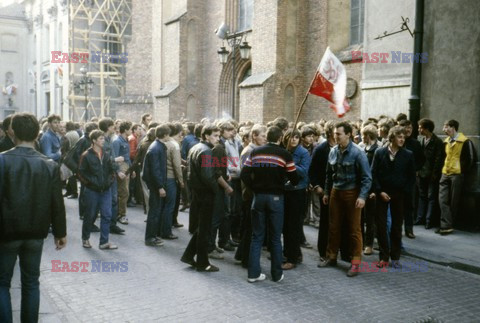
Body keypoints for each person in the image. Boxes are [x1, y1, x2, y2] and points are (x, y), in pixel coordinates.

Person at [0, 113, 67, 323]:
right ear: (37, 133)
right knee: (31, 282)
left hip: (7, 232)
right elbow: (57, 202)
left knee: (2, 283)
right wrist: (60, 232)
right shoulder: (48, 164)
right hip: (36, 233)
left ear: (13, 132)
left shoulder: (2, 160)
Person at [241, 126, 299, 283]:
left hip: (258, 197)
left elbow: (244, 173)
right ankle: (276, 274)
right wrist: (283, 180)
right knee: (275, 237)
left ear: (267, 137)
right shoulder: (285, 154)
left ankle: (253, 274)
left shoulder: (255, 152)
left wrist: (254, 188)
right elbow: (295, 179)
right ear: (280, 138)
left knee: (257, 236)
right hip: (276, 199)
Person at [318, 121, 371, 277]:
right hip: (336, 191)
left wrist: (362, 196)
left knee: (354, 229)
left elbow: (367, 178)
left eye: (339, 134)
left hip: (352, 193)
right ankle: (331, 256)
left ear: (348, 134)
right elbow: (329, 174)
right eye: (335, 133)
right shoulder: (333, 151)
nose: (336, 136)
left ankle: (355, 263)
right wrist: (327, 192)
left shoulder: (358, 153)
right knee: (333, 226)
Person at [181, 124, 227, 272]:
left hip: (197, 192)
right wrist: (216, 190)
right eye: (215, 136)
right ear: (206, 136)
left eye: (218, 136)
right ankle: (202, 263)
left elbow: (190, 171)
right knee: (204, 229)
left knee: (202, 227)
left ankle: (189, 255)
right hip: (205, 193)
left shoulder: (195, 148)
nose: (217, 139)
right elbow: (208, 176)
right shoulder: (207, 151)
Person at [371, 126, 415, 268]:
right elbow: (373, 174)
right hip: (382, 192)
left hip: (399, 194)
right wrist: (379, 191)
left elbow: (411, 178)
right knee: (381, 226)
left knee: (396, 226)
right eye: (399, 137)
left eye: (403, 137)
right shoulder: (379, 153)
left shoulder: (408, 155)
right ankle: (383, 256)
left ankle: (395, 257)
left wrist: (404, 193)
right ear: (391, 138)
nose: (402, 139)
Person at [78, 130, 118, 249]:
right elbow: (81, 173)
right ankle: (85, 239)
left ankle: (104, 242)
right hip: (92, 190)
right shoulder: (86, 155)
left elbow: (111, 170)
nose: (103, 141)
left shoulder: (105, 154)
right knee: (89, 215)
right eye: (100, 139)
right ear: (94, 140)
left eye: (103, 138)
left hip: (105, 190)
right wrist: (90, 184)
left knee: (107, 215)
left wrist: (109, 181)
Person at [437, 120, 477, 235]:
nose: (444, 130)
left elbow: (470, 159)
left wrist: (461, 170)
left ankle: (447, 225)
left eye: (446, 127)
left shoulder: (465, 141)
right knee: (442, 199)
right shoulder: (446, 142)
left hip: (457, 174)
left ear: (453, 128)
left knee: (454, 201)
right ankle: (446, 225)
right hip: (445, 173)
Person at [282, 129, 311, 270]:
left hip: (297, 191)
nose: (293, 140)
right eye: (290, 137)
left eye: (296, 137)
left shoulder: (303, 153)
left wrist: (289, 164)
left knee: (293, 225)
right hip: (285, 191)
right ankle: (292, 253)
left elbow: (304, 171)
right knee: (286, 225)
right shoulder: (284, 151)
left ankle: (292, 258)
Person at [142, 125, 171, 247]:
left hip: (156, 184)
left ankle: (153, 236)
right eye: (168, 134)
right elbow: (155, 170)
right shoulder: (156, 148)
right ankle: (150, 238)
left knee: (156, 210)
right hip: (155, 185)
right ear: (164, 135)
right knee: (154, 212)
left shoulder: (156, 146)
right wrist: (160, 186)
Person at [415, 118, 444, 229]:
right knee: (422, 196)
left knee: (431, 197)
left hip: (431, 174)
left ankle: (428, 220)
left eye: (420, 127)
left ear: (426, 129)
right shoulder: (421, 140)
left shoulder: (437, 142)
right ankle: (420, 218)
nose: (419, 130)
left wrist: (435, 174)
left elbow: (438, 159)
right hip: (421, 173)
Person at [360, 124, 380, 255]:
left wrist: (374, 190)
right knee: (361, 217)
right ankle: (361, 241)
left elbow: (377, 172)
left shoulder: (377, 150)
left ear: (368, 136)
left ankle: (369, 244)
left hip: (371, 189)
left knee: (370, 218)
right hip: (362, 187)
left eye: (363, 135)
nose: (362, 137)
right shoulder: (364, 149)